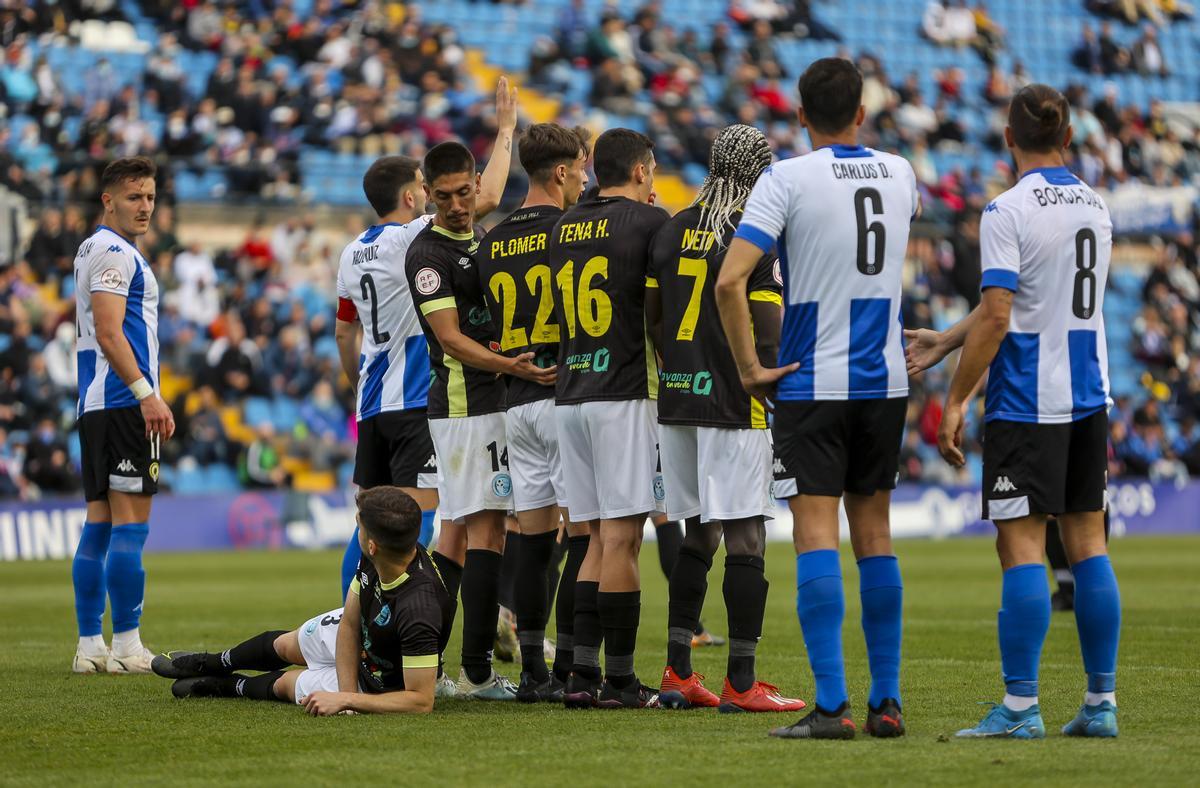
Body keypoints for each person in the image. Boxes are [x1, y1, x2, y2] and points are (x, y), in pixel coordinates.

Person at [908, 84, 1121, 739]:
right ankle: (1100, 704)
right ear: (1067, 138)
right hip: (1089, 394)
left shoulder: (1007, 209)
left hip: (1027, 400)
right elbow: (1024, 297)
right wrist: (947, 340)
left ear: (1008, 137)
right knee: (1088, 546)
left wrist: (955, 399)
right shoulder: (1095, 205)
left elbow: (1003, 314)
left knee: (1021, 547)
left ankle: (1022, 709)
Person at [717, 58, 920, 739]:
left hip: (812, 380)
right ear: (862, 112)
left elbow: (730, 282)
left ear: (800, 116)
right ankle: (886, 702)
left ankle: (832, 708)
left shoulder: (785, 178)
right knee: (876, 537)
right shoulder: (901, 172)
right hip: (885, 377)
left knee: (814, 538)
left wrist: (749, 368)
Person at [334, 77, 520, 599]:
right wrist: (506, 130)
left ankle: (349, 615)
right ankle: (395, 624)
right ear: (414, 195)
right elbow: (486, 197)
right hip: (418, 395)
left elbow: (343, 330)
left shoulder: (351, 253)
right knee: (416, 522)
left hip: (373, 403)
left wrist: (358, 386)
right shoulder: (413, 237)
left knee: (369, 523)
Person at [646, 124, 805, 713]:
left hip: (679, 400)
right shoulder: (753, 235)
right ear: (760, 173)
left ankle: (677, 671)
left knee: (697, 533)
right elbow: (768, 333)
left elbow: (655, 318)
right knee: (746, 537)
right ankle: (742, 681)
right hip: (735, 404)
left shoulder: (671, 229)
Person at [405, 137, 555, 701]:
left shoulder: (476, 228)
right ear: (426, 194)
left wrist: (507, 127)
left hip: (497, 402)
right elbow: (449, 338)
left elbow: (493, 185)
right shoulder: (426, 255)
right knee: (482, 530)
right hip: (467, 408)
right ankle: (473, 673)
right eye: (442, 197)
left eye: (464, 193)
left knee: (485, 531)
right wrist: (508, 363)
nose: (458, 205)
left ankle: (459, 665)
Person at [549, 128, 668, 710]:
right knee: (622, 538)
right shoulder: (650, 222)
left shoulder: (565, 223)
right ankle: (620, 681)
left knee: (594, 537)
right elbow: (660, 312)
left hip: (571, 392)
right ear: (642, 169)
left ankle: (580, 674)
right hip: (624, 390)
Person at [152, 487, 451, 715]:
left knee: (285, 685)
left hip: (381, 682)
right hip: (364, 632)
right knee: (286, 644)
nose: (356, 531)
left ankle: (228, 686)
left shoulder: (419, 610)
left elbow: (421, 700)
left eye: (359, 527)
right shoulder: (381, 554)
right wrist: (345, 694)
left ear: (372, 545)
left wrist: (348, 699)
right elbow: (349, 624)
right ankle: (213, 662)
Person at [478, 122, 593, 702]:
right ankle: (570, 663)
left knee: (531, 537)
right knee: (584, 535)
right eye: (580, 167)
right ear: (560, 172)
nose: (585, 178)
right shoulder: (570, 231)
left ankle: (531, 672)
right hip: (564, 392)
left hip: (513, 403)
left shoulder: (493, 237)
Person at [70, 156, 174, 675]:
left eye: (151, 197)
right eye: (135, 197)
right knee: (130, 528)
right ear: (108, 199)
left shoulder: (92, 247)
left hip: (94, 403)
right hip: (122, 403)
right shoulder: (115, 252)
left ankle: (91, 645)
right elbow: (111, 332)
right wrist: (146, 393)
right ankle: (128, 646)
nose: (145, 206)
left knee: (99, 526)